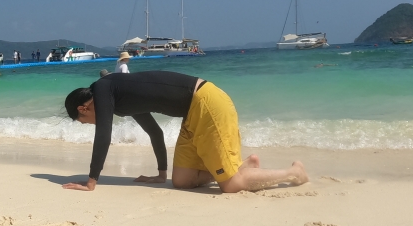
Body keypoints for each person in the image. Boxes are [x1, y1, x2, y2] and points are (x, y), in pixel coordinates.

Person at [62, 70, 309, 194]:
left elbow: (103, 133)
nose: (91, 124)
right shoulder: (119, 97)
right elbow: (154, 132)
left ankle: (293, 172)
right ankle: (247, 165)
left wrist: (92, 181)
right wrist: (161, 174)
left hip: (207, 103)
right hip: (192, 114)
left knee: (232, 186)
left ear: (84, 108)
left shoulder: (103, 88)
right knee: (182, 181)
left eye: (84, 121)